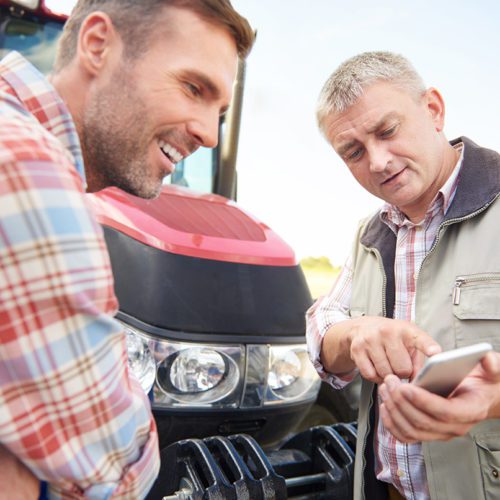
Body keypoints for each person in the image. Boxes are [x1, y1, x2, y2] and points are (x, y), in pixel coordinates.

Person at [0, 0, 254, 498]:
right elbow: (116, 474)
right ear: (98, 45)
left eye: (219, 111)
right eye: (192, 88)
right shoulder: (27, 165)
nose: (206, 132)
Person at [306, 51, 500, 500]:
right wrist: (354, 334)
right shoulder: (369, 235)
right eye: (353, 152)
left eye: (387, 131)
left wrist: (492, 399)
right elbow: (322, 323)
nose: (376, 161)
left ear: (433, 110)